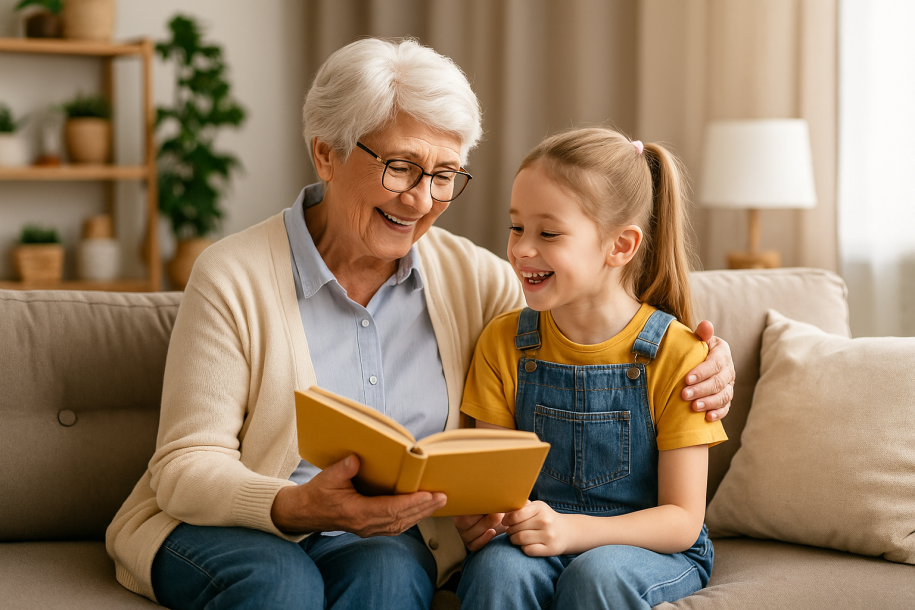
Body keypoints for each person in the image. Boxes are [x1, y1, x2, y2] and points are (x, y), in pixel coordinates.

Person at [106, 39, 735, 610]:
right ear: (327, 153)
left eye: (443, 175)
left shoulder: (476, 280)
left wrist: (710, 358)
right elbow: (184, 467)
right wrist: (296, 505)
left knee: (391, 574)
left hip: (376, 534)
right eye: (402, 167)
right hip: (229, 526)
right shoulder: (231, 275)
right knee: (282, 585)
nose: (422, 199)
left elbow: (589, 309)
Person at [454, 128, 729, 609]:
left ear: (619, 246)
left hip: (654, 548)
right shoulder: (503, 344)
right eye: (516, 227)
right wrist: (486, 514)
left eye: (548, 232)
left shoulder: (679, 354)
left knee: (596, 575)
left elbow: (683, 520)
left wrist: (571, 530)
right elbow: (496, 488)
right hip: (540, 539)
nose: (520, 249)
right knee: (497, 570)